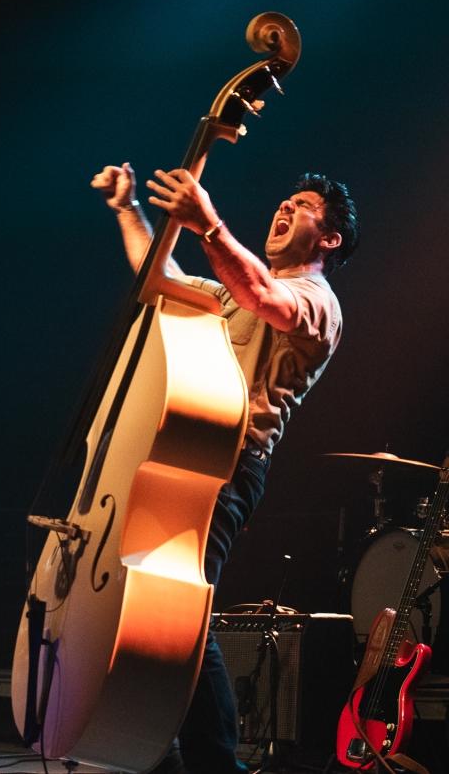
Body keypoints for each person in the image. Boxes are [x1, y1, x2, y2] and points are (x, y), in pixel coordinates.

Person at [90, 162, 358, 774]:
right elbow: (160, 278)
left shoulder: (319, 302)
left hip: (230, 468)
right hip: (188, 461)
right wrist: (129, 210)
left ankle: (215, 763)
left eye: (302, 205)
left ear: (329, 238)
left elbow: (266, 298)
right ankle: (161, 750)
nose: (284, 207)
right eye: (284, 199)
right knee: (155, 612)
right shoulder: (235, 289)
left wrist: (208, 225)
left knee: (183, 616)